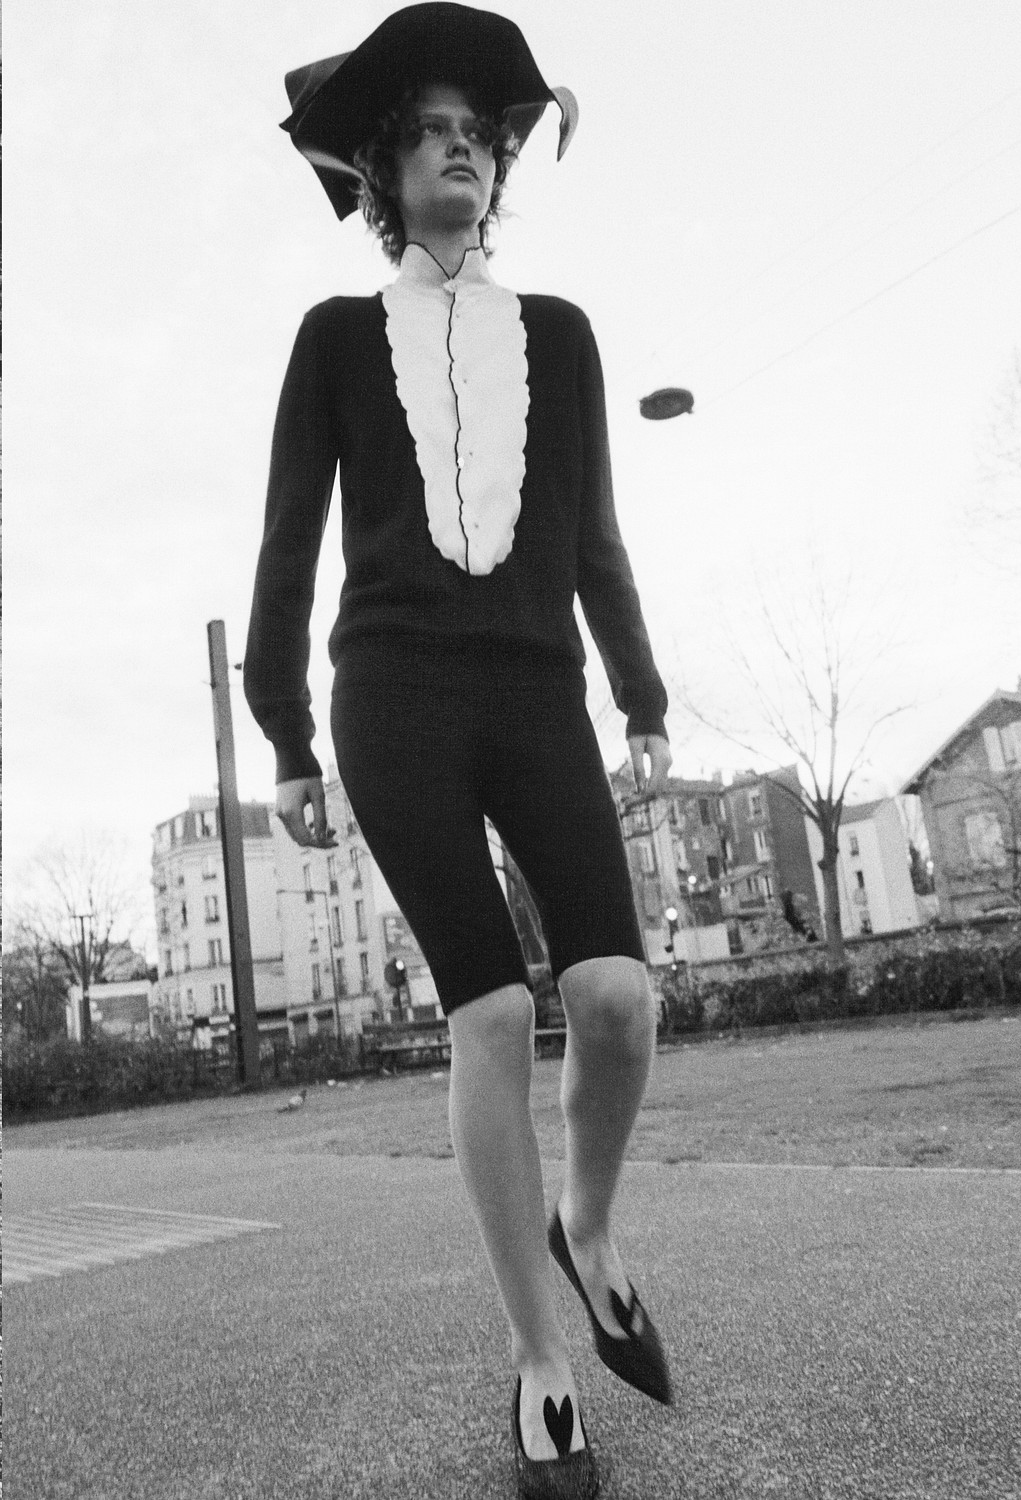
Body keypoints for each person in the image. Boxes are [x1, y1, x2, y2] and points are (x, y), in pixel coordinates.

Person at [244, 8, 673, 1496]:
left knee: (617, 999)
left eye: (480, 135)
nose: (463, 153)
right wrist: (284, 732)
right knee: (490, 1015)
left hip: (540, 689)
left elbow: (598, 534)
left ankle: (588, 1225)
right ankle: (542, 1363)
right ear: (384, 170)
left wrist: (643, 695)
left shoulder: (562, 335)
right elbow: (287, 542)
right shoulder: (331, 337)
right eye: (431, 133)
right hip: (395, 695)